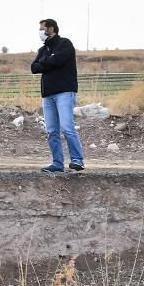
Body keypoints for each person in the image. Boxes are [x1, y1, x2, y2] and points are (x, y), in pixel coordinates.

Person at [32, 18, 85, 173]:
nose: (40, 32)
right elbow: (34, 67)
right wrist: (48, 61)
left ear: (51, 29)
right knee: (52, 130)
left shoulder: (65, 44)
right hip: (48, 95)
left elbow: (58, 59)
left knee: (67, 127)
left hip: (64, 92)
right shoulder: (42, 50)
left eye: (42, 28)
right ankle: (57, 164)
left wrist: (45, 62)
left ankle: (77, 160)